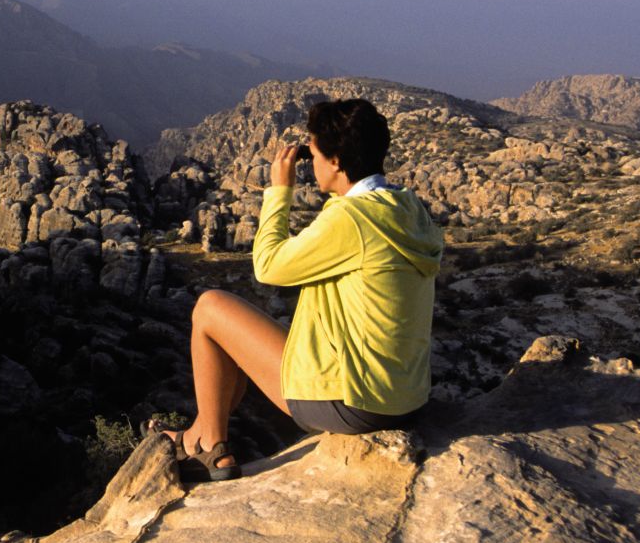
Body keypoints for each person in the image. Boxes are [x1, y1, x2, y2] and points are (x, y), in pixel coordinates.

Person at [160, 97, 443, 482]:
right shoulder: (407, 209)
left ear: (338, 160)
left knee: (210, 307)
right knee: (240, 330)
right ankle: (199, 434)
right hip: (405, 398)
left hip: (352, 401)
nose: (312, 163)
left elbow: (268, 266)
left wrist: (280, 191)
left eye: (314, 153)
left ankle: (210, 446)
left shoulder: (352, 219)